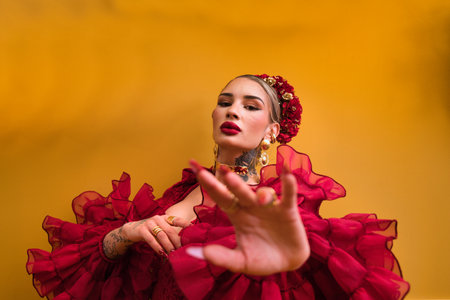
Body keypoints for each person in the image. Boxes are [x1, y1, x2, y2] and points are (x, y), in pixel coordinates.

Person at [26, 74, 410, 299]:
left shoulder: (274, 206)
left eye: (251, 105)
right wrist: (129, 232)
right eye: (225, 101)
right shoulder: (177, 195)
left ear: (273, 131)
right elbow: (97, 269)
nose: (233, 110)